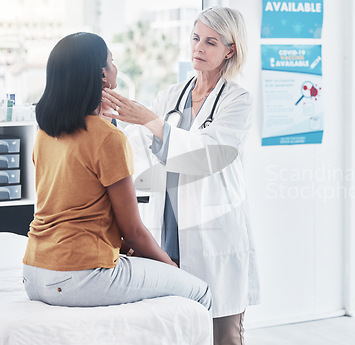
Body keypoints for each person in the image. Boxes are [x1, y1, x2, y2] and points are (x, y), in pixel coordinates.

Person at [22, 32, 212, 312]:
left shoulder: (46, 131)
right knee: (200, 291)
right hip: (78, 276)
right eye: (112, 61)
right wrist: (171, 267)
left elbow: (75, 207)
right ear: (102, 75)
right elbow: (133, 231)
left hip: (34, 272)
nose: (116, 68)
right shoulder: (107, 137)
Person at [102, 7, 259, 345]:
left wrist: (150, 120)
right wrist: (105, 122)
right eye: (196, 38)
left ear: (230, 50)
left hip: (212, 229)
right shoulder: (170, 96)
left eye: (211, 42)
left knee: (224, 334)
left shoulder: (238, 101)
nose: (199, 48)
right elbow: (136, 147)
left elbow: (208, 154)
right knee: (176, 329)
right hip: (167, 226)